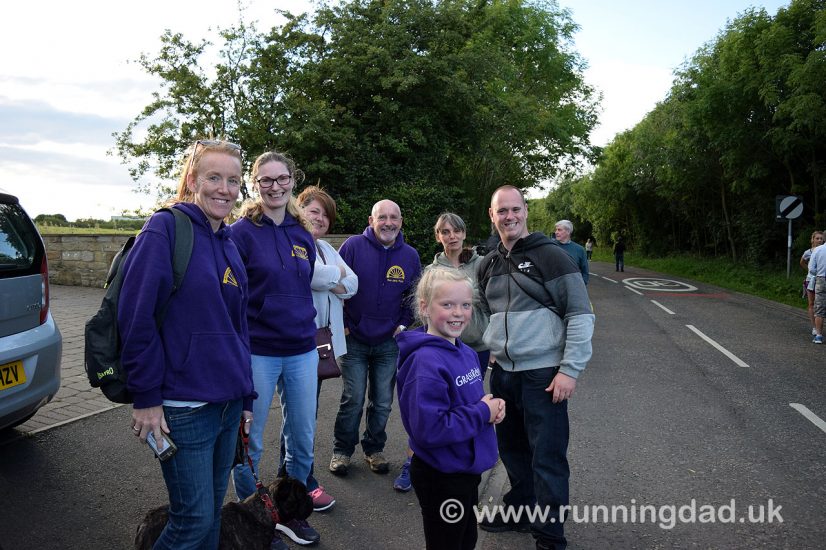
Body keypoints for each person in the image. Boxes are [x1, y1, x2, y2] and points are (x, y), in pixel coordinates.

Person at [119, 139, 255, 549]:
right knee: (192, 520)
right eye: (214, 177)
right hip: (184, 407)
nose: (224, 189)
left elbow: (239, 328)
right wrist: (145, 396)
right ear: (193, 180)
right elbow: (135, 316)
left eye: (233, 180)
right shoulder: (165, 228)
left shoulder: (229, 242)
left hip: (228, 405)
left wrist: (246, 398)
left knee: (212, 514)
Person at [477, 185, 594, 550]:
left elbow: (580, 314)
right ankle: (521, 512)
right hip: (505, 374)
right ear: (492, 215)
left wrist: (569, 370)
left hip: (544, 374)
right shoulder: (488, 263)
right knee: (512, 451)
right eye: (502, 211)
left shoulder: (553, 256)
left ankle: (549, 535)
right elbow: (481, 316)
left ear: (526, 211)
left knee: (547, 457)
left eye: (515, 209)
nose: (509, 216)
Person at [230, 151, 322, 547]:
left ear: (291, 180)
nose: (274, 186)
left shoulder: (303, 234)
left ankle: (291, 513)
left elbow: (304, 287)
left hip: (302, 348)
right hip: (259, 350)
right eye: (265, 180)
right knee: (252, 439)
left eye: (281, 178)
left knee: (301, 436)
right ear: (254, 184)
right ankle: (253, 517)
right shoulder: (240, 232)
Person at [396, 267, 505, 550]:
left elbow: (467, 404)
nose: (458, 312)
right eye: (447, 305)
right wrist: (483, 413)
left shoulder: (466, 351)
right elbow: (430, 429)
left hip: (464, 470)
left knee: (465, 539)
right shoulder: (425, 364)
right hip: (441, 475)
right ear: (424, 307)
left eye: (465, 305)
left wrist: (489, 408)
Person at [393, 212, 490, 492]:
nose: (452, 236)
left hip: (475, 348)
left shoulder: (481, 264)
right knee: (434, 409)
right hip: (442, 349)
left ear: (464, 233)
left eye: (456, 230)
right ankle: (414, 463)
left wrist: (494, 342)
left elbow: (492, 304)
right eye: (445, 232)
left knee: (468, 403)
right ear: (439, 236)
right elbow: (429, 307)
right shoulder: (432, 270)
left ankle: (464, 461)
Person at [329, 199, 421, 476]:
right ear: (371, 221)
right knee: (353, 398)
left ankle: (374, 449)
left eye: (394, 217)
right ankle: (342, 451)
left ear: (401, 222)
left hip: (388, 343)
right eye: (382, 217)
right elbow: (337, 287)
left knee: (382, 401)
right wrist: (344, 325)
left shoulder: (410, 256)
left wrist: (403, 325)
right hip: (354, 339)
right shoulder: (352, 247)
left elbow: (413, 297)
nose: (388, 223)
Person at [282, 185, 358, 512]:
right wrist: (334, 277)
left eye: (326, 215)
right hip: (297, 345)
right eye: (315, 211)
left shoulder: (326, 247)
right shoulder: (290, 242)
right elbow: (308, 275)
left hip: (322, 345)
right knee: (299, 419)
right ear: (300, 211)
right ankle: (300, 484)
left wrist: (332, 277)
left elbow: (353, 284)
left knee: (304, 417)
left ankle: (291, 484)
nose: (321, 219)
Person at [800, 231, 824, 336]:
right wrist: (809, 272)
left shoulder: (823, 251)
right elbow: (802, 262)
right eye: (817, 238)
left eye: (821, 238)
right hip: (811, 280)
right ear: (812, 239)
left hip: (822, 279)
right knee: (811, 303)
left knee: (821, 304)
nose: (819, 240)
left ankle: (819, 324)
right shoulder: (808, 252)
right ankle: (814, 327)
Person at [552, 219, 589, 284]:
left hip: (572, 288)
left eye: (559, 230)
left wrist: (581, 285)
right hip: (553, 288)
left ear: (568, 232)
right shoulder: (550, 246)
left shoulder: (579, 250)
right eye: (556, 230)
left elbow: (585, 272)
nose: (556, 232)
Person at [807, 238, 826, 344]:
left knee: (819, 307)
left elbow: (811, 268)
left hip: (821, 278)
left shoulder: (818, 250)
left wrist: (818, 272)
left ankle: (818, 335)